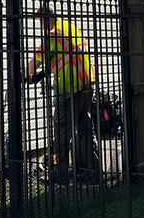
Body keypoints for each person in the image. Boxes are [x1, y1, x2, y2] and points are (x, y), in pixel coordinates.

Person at [26, 13, 100, 183]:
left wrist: (22, 77)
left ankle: (61, 174)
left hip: (68, 90)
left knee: (61, 133)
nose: (40, 24)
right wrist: (44, 74)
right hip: (87, 86)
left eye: (41, 21)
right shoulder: (71, 29)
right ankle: (93, 171)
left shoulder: (52, 36)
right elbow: (68, 56)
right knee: (86, 130)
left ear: (46, 20)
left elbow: (35, 62)